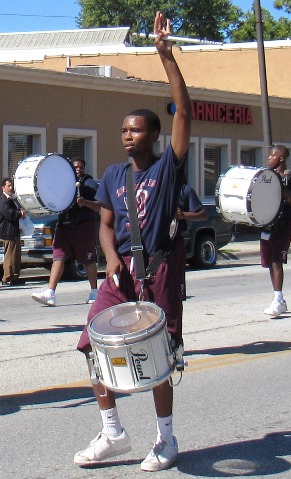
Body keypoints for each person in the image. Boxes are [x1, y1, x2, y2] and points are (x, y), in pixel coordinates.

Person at [74, 11, 191, 472]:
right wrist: (108, 259)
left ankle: (166, 439)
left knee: (157, 356)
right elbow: (105, 223)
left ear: (155, 136)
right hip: (120, 274)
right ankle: (113, 432)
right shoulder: (113, 175)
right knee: (91, 345)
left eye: (136, 129)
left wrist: (166, 57)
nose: (127, 135)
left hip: (159, 270)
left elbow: (187, 110)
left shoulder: (167, 169)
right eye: (124, 129)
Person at [31, 157, 100, 306]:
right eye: (75, 167)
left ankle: (94, 291)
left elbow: (100, 206)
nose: (78, 170)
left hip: (84, 226)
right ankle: (50, 293)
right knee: (58, 257)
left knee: (88, 259)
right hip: (64, 225)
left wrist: (85, 202)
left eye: (80, 167)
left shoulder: (90, 184)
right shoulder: (63, 184)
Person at [260, 144, 291, 317]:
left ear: (281, 158)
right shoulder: (267, 177)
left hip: (283, 225)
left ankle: (278, 299)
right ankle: (278, 298)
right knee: (270, 262)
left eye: (272, 155)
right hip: (267, 225)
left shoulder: (289, 179)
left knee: (276, 261)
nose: (268, 158)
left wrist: (287, 194)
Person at [172, 183, 208, 300]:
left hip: (174, 241)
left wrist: (183, 215)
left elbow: (203, 214)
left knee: (175, 287)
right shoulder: (153, 187)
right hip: (153, 242)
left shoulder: (184, 190)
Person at [0, 178, 26, 286]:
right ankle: (7, 278)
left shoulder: (12, 200)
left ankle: (15, 276)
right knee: (9, 256)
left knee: (16, 255)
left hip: (15, 230)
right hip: (8, 231)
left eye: (12, 186)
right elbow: (9, 214)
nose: (11, 188)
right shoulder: (3, 200)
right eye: (8, 186)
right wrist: (20, 214)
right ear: (3, 188)